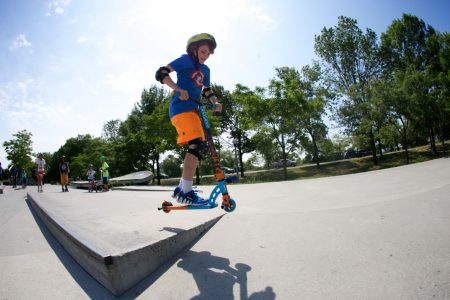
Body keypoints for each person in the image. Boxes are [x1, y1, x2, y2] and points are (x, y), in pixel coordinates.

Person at [155, 33, 222, 205]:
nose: (205, 56)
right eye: (203, 51)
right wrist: (177, 89)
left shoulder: (205, 70)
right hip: (180, 108)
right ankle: (185, 191)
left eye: (208, 53)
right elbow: (161, 73)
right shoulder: (185, 60)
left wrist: (215, 101)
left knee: (200, 148)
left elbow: (207, 90)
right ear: (194, 49)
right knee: (196, 145)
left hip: (193, 111)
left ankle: (182, 187)